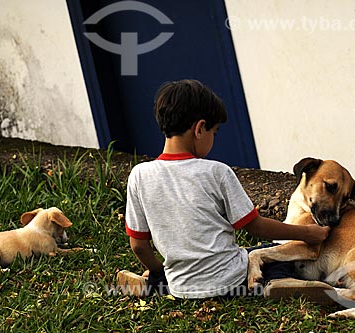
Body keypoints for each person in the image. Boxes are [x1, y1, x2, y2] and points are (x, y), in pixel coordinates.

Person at [118, 79, 331, 299]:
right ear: (200, 129)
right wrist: (306, 233)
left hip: (182, 288)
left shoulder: (139, 175)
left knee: (163, 275)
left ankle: (152, 282)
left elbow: (139, 245)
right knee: (272, 254)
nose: (214, 139)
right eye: (215, 132)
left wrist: (158, 271)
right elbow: (256, 227)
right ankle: (279, 282)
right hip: (231, 280)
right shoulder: (216, 172)